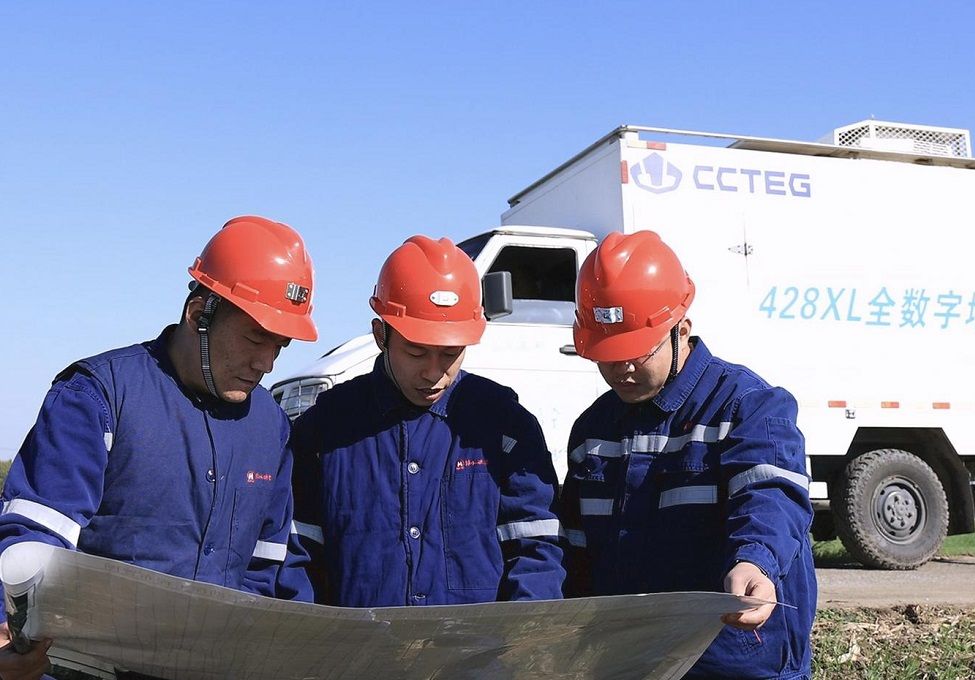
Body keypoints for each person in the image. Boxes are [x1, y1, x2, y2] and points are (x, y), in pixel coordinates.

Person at [0, 216, 318, 678]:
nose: (266, 363)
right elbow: (32, 542)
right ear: (199, 313)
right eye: (255, 338)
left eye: (280, 346)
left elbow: (267, 570)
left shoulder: (271, 427)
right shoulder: (98, 397)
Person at [560, 230, 816, 679]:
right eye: (606, 355)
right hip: (633, 660)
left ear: (681, 330)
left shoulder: (747, 406)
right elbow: (576, 551)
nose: (621, 370)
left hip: (734, 660)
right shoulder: (593, 429)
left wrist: (755, 559)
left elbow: (771, 494)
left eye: (636, 353)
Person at [291, 235, 564, 606]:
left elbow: (537, 550)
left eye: (450, 354)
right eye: (416, 352)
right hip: (363, 643)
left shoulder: (505, 425)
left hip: (478, 644)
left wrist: (522, 633)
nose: (434, 373)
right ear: (381, 335)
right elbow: (298, 558)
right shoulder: (326, 428)